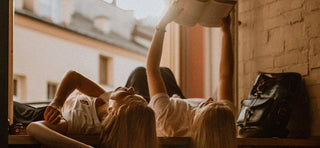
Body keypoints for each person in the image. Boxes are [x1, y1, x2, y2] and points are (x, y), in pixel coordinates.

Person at [145, 1, 236, 148]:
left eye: (206, 105)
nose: (211, 99)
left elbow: (151, 69)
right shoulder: (223, 116)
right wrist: (226, 31)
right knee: (166, 72)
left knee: (143, 73)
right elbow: (225, 76)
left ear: (197, 120)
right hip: (178, 103)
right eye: (213, 102)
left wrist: (162, 24)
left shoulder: (167, 118)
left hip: (160, 112)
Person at [26, 70, 158, 148]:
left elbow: (33, 127)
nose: (131, 89)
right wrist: (57, 102)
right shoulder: (108, 98)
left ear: (112, 111)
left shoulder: (80, 120)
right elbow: (74, 77)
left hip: (28, 115)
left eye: (129, 96)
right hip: (40, 108)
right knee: (140, 72)